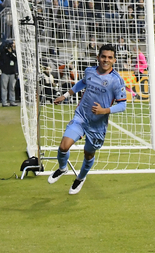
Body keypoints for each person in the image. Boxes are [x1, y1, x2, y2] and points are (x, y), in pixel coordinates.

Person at [49, 44, 127, 195]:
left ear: (114, 60)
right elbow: (82, 83)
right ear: (98, 57)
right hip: (82, 116)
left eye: (110, 57)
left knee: (88, 154)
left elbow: (122, 105)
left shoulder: (116, 80)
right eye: (103, 56)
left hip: (97, 125)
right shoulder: (89, 71)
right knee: (64, 146)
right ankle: (62, 168)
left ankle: (80, 178)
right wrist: (65, 95)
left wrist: (104, 111)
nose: (106, 60)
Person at [0, 40, 17, 107]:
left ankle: (12, 101)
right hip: (5, 72)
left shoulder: (14, 52)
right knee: (4, 87)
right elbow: (1, 60)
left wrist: (10, 53)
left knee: (12, 87)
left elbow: (15, 58)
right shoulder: (3, 53)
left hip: (12, 72)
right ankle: (4, 102)